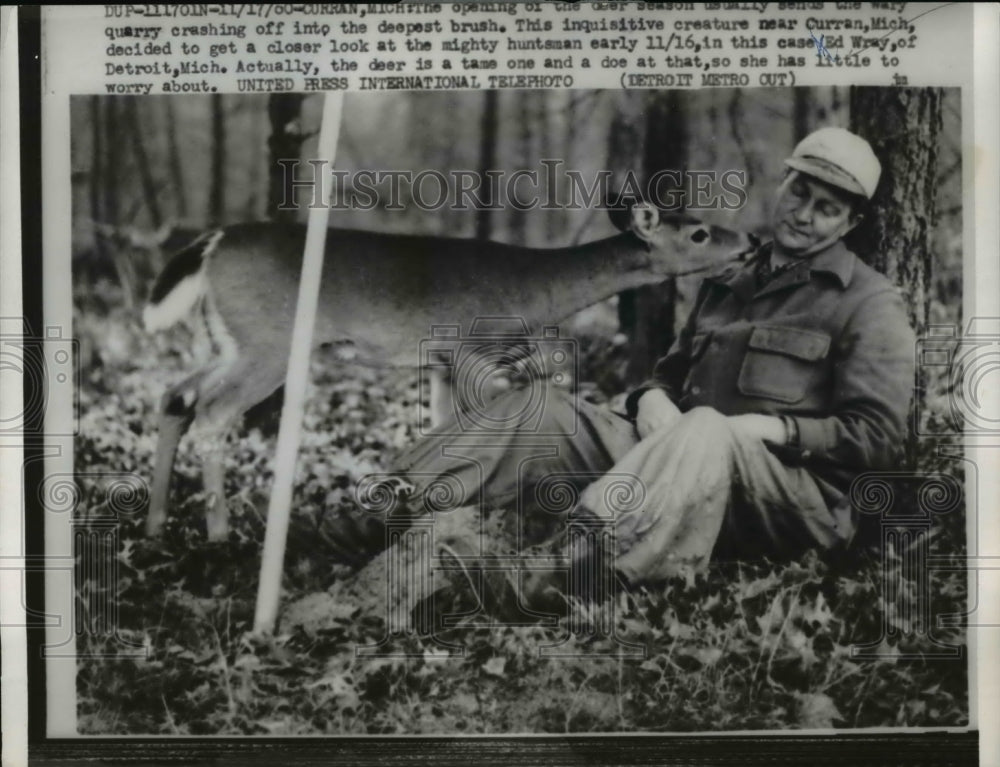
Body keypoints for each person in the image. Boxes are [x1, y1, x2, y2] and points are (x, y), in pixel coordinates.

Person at [349, 127, 916, 604]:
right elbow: (666, 373)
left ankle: (554, 578)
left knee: (705, 430)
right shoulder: (730, 282)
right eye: (799, 193)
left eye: (827, 209)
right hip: (671, 470)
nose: (804, 216)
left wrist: (770, 428)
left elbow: (878, 440)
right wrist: (651, 399)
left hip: (786, 505)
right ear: (783, 184)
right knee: (540, 407)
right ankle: (379, 511)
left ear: (849, 222)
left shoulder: (868, 302)